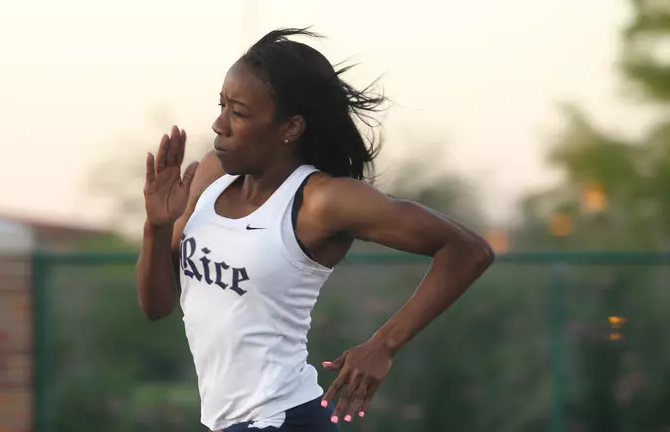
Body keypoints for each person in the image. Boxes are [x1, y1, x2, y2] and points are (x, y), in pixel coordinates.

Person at [136, 28, 495, 432]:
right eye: (221, 106)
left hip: (282, 419)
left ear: (290, 126)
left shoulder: (322, 200)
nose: (219, 124)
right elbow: (157, 306)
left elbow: (468, 251)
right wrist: (157, 225)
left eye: (237, 112)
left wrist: (384, 345)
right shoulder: (210, 176)